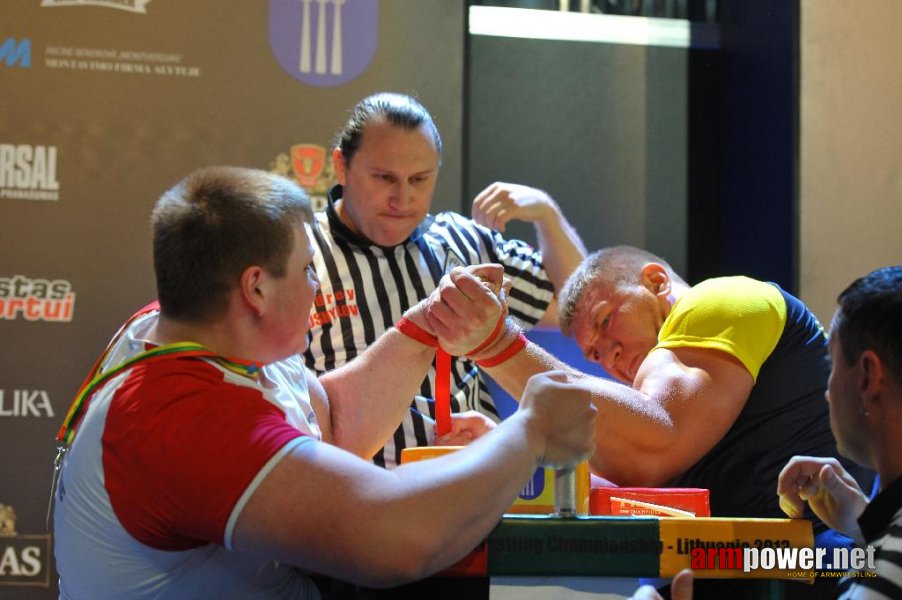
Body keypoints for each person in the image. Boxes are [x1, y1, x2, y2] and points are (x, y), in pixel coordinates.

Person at [51, 166, 597, 599]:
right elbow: (394, 541)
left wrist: (425, 324)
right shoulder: (181, 418)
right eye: (309, 269)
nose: (318, 286)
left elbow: (329, 422)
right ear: (256, 289)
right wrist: (529, 433)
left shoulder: (200, 332)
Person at [475, 245, 875, 598]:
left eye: (605, 322)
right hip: (750, 570)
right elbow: (612, 482)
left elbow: (658, 442)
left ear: (655, 282)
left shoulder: (722, 297)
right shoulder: (664, 397)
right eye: (595, 356)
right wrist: (506, 447)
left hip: (820, 566)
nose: (610, 357)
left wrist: (495, 345)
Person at [305, 92, 586, 467]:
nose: (402, 197)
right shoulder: (298, 254)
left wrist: (547, 215)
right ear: (341, 165)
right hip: (345, 493)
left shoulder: (464, 241)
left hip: (467, 491)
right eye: (384, 177)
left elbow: (579, 309)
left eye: (420, 179)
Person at [778, 266, 902, 598]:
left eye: (832, 366)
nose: (828, 391)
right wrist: (864, 522)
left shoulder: (883, 580)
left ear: (867, 376)